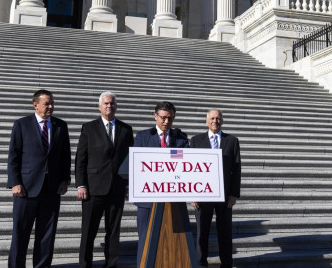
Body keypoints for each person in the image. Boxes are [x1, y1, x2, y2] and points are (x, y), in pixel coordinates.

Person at [6, 89, 71, 268]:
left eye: (52, 103)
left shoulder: (60, 126)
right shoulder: (22, 124)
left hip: (51, 190)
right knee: (20, 234)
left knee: (46, 236)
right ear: (35, 105)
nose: (51, 107)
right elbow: (14, 156)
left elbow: (65, 156)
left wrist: (65, 180)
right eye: (46, 104)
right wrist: (15, 182)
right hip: (26, 189)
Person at [75, 91, 134, 268]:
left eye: (112, 103)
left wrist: (128, 184)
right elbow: (81, 158)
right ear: (99, 106)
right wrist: (81, 184)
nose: (109, 106)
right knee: (88, 231)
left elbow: (129, 159)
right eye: (106, 103)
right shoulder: (89, 127)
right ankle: (85, 264)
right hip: (93, 188)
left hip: (116, 188)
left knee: (113, 231)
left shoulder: (126, 129)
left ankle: (111, 264)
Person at [132, 101, 189, 263]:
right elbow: (135, 165)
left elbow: (187, 163)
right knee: (145, 240)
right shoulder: (143, 136)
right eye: (162, 118)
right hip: (147, 200)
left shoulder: (181, 138)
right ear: (155, 116)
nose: (166, 122)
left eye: (169, 119)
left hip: (173, 199)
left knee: (173, 242)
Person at [190, 109, 241, 268]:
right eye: (212, 118)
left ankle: (226, 263)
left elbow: (236, 168)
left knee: (225, 232)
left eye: (218, 119)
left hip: (224, 195)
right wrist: (192, 193)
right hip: (202, 195)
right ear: (206, 121)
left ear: (222, 121)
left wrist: (233, 194)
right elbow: (190, 168)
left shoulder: (232, 141)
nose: (215, 121)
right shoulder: (196, 140)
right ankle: (201, 262)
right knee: (202, 233)